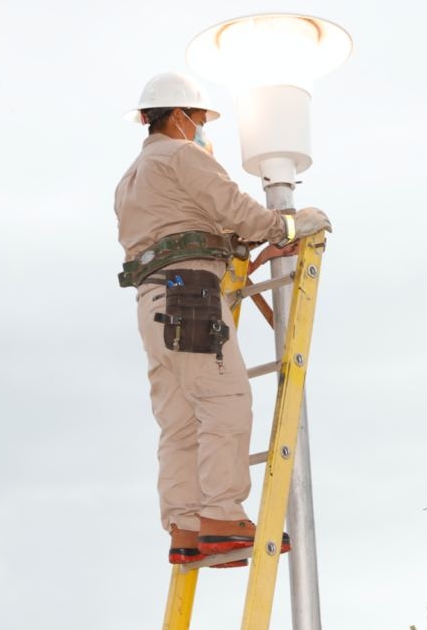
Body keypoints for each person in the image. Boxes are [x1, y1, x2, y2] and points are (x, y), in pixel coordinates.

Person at [114, 71, 332, 566]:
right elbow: (232, 207)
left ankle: (185, 527)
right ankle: (223, 517)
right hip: (191, 296)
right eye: (198, 118)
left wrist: (246, 247)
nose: (201, 128)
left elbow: (187, 230)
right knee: (225, 402)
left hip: (156, 304)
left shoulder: (131, 178)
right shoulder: (182, 156)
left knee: (179, 421)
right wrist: (286, 226)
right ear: (179, 116)